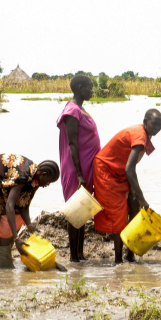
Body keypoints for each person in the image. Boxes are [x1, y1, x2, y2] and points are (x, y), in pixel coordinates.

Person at [93, 109, 161, 263]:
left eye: (160, 125)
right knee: (118, 215)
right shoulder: (139, 135)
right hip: (106, 170)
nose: (157, 128)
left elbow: (131, 167)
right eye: (154, 124)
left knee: (134, 206)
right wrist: (143, 198)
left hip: (120, 171)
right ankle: (118, 260)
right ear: (145, 122)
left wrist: (135, 194)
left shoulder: (146, 134)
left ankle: (129, 254)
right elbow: (129, 170)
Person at [0, 155, 59, 268]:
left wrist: (29, 224)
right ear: (43, 174)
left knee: (13, 219)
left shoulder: (35, 178)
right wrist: (16, 238)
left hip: (3, 179)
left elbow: (24, 205)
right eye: (48, 182)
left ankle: (0, 259)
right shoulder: (23, 176)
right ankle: (4, 269)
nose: (47, 185)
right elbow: (9, 206)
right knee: (5, 225)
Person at [57, 75, 101, 262]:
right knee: (75, 211)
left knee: (82, 211)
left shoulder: (81, 109)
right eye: (90, 87)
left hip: (86, 168)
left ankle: (80, 254)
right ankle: (74, 257)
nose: (92, 91)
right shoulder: (72, 111)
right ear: (80, 88)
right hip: (76, 169)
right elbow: (72, 144)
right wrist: (80, 174)